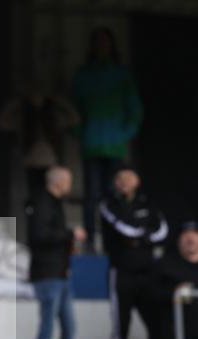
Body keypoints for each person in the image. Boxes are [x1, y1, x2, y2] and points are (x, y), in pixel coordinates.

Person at [25, 167, 95, 339]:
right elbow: (39, 236)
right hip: (47, 275)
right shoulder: (42, 202)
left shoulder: (54, 202)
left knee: (69, 328)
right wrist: (70, 234)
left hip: (61, 274)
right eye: (68, 181)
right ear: (59, 182)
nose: (70, 186)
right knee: (47, 328)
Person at [72, 28, 143, 248]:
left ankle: (113, 236)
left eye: (105, 43)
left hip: (115, 146)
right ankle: (91, 239)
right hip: (92, 145)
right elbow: (72, 112)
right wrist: (80, 134)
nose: (102, 47)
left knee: (113, 193)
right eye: (98, 42)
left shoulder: (121, 75)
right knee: (91, 194)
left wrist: (125, 134)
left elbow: (135, 109)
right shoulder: (83, 75)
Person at [100, 167, 167, 339]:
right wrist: (142, 236)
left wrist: (141, 238)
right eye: (119, 179)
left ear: (137, 180)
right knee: (122, 328)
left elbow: (162, 231)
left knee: (156, 326)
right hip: (122, 273)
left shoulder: (149, 203)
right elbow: (122, 230)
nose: (123, 183)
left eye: (128, 178)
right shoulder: (108, 204)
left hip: (148, 275)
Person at [0, 86, 80, 198]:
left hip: (51, 164)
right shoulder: (24, 119)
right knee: (34, 197)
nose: (37, 99)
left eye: (41, 96)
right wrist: (19, 100)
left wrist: (57, 99)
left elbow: (74, 118)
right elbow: (1, 122)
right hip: (31, 163)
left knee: (53, 197)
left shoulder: (53, 118)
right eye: (34, 96)